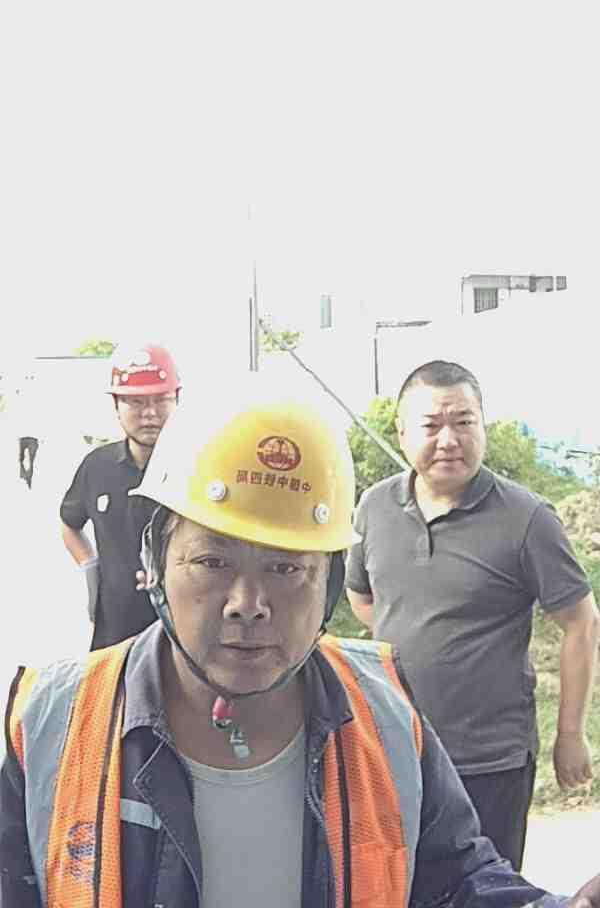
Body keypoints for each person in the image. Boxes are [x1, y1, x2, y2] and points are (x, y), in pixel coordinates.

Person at [3, 386, 600, 908]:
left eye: (287, 569)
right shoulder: (54, 720)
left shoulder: (385, 717)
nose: (248, 603)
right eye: (212, 561)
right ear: (156, 562)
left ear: (329, 584)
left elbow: (458, 882)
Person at [346, 359, 600, 872]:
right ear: (401, 431)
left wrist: (570, 733)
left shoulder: (526, 518)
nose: (449, 440)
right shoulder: (374, 507)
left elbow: (581, 623)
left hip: (490, 760)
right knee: (398, 887)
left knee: (487, 888)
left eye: (464, 422)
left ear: (483, 425)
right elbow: (363, 596)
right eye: (431, 425)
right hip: (396, 750)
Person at [59, 342, 181, 649]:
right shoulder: (97, 467)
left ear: (177, 400)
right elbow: (69, 523)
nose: (150, 413)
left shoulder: (196, 469)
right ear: (116, 405)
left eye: (161, 400)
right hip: (113, 635)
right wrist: (91, 569)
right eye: (136, 402)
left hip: (180, 636)